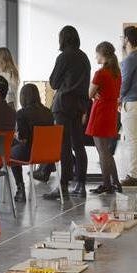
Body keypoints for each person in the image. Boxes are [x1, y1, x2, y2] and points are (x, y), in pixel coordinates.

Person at [43, 26, 91, 201]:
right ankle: (81, 185)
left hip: (63, 105)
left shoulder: (63, 57)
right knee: (78, 145)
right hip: (79, 106)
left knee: (64, 146)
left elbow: (54, 83)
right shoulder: (84, 57)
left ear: (62, 39)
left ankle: (63, 186)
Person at [86, 42, 123, 195]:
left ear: (102, 55)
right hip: (111, 112)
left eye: (97, 54)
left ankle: (107, 184)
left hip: (100, 113)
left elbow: (89, 93)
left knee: (102, 152)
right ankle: (116, 182)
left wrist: (95, 93)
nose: (95, 57)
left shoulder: (100, 73)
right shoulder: (117, 73)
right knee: (106, 151)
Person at [10, 83, 54, 203]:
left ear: (23, 97)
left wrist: (15, 135)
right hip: (48, 154)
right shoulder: (48, 112)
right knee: (14, 147)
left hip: (30, 153)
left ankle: (20, 188)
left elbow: (23, 138)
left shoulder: (22, 113)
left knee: (10, 152)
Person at [119, 25, 137, 188]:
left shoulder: (130, 59)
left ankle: (133, 175)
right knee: (134, 139)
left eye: (123, 38)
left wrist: (118, 99)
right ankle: (135, 172)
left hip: (132, 103)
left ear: (126, 40)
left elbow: (124, 83)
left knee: (132, 141)